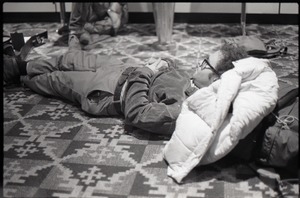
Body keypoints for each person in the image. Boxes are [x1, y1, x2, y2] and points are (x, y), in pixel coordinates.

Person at [3, 35, 248, 135]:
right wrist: (165, 63)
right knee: (67, 59)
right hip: (120, 68)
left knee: (56, 81)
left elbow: (136, 113)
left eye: (206, 64)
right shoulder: (196, 81)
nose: (200, 63)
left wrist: (146, 72)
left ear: (216, 80)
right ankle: (17, 65)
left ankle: (17, 75)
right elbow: (169, 75)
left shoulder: (184, 109)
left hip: (107, 92)